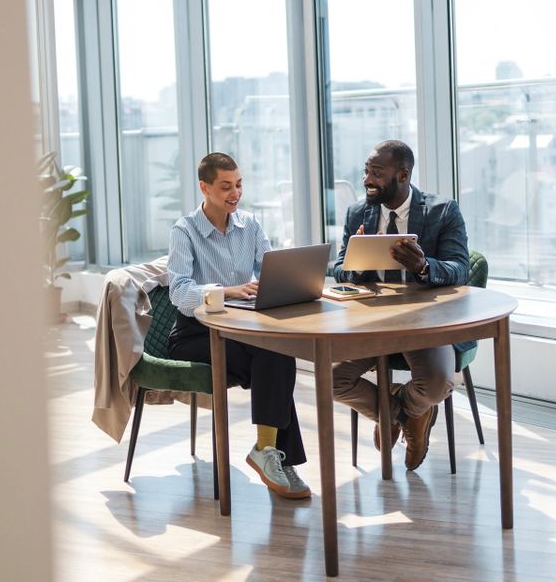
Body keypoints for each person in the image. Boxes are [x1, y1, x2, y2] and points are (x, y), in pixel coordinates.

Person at [167, 152, 310, 499]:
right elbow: (178, 291)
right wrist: (226, 290)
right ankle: (274, 455)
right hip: (194, 334)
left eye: (239, 184)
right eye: (226, 186)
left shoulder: (250, 225)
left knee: (275, 353)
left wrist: (284, 281)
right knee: (272, 359)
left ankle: (268, 452)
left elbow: (271, 267)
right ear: (205, 188)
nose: (235, 193)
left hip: (238, 329)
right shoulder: (184, 231)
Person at [332, 139, 469, 470]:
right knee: (331, 381)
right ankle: (406, 416)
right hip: (372, 322)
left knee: (437, 384)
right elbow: (337, 269)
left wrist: (424, 266)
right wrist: (354, 265)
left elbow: (461, 269)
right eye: (366, 171)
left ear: (403, 175)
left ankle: (401, 410)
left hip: (423, 323)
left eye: (377, 173)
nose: (367, 180)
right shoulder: (358, 212)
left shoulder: (442, 211)